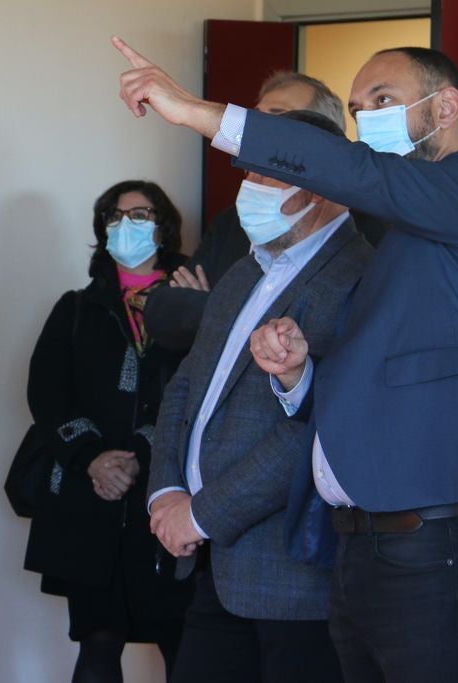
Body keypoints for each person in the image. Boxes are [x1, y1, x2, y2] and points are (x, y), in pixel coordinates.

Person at [114, 37, 458, 681]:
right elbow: (356, 394)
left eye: (384, 100)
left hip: (446, 539)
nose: (366, 118)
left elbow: (366, 174)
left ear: (445, 107)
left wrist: (203, 114)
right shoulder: (399, 248)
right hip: (361, 553)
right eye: (356, 108)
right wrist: (297, 375)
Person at [145, 110, 371, 682]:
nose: (251, 190)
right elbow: (186, 388)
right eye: (249, 175)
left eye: (268, 176)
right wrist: (167, 492)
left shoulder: (359, 276)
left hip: (295, 581)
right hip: (212, 567)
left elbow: (318, 430)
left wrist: (201, 513)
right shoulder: (246, 271)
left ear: (319, 185)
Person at [23, 180, 193, 683]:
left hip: (168, 498)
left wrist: (139, 452)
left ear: (163, 227)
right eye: (114, 217)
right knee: (98, 641)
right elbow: (47, 395)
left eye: (140, 215)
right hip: (89, 504)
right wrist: (94, 458)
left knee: (182, 641)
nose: (126, 226)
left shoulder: (195, 301)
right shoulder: (77, 307)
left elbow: (198, 392)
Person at [144, 72, 387, 350]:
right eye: (256, 118)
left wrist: (214, 308)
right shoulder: (233, 220)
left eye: (278, 118)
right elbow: (161, 312)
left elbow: (327, 338)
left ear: (321, 136)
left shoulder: (366, 229)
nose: (257, 131)